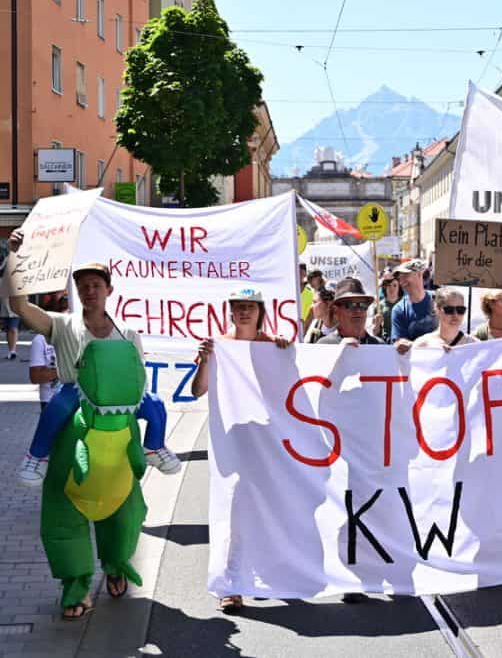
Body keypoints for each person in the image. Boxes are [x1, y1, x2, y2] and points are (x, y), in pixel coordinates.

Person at [5, 244, 177, 487]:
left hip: (117, 396)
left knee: (156, 404)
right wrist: (15, 256)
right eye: (83, 286)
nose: (90, 290)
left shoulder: (127, 332)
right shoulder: (61, 325)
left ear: (109, 290)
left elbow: (139, 374)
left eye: (96, 285)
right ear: (76, 291)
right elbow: (20, 306)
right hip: (77, 393)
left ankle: (154, 446)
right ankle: (37, 455)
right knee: (58, 404)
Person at [190, 286, 290, 613]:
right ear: (230, 310)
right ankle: (230, 585)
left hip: (266, 441)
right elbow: (197, 390)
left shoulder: (271, 346)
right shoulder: (219, 345)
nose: (244, 311)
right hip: (232, 441)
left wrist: (286, 355)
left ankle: (255, 574)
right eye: (238, 306)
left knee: (263, 511)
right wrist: (205, 361)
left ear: (261, 311)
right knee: (232, 510)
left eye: (250, 306)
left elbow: (291, 390)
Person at [405, 288, 478, 351]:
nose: (455, 315)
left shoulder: (474, 345)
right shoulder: (422, 344)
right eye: (449, 310)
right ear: (437, 310)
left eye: (460, 310)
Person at [28, 294, 66, 412]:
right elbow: (35, 376)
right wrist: (68, 369)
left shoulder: (81, 336)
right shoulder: (40, 340)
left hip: (78, 400)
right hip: (51, 400)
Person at [390, 259, 437, 345]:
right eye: (400, 278)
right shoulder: (399, 310)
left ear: (419, 274)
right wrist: (401, 343)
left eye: (405, 275)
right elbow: (399, 343)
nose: (401, 281)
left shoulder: (438, 299)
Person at [319, 288, 383, 346]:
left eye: (363, 305)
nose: (358, 310)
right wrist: (339, 351)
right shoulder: (324, 346)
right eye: (351, 305)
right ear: (336, 311)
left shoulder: (380, 346)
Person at [372, 272, 402, 343]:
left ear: (399, 287)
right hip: (386, 342)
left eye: (395, 285)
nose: (392, 288)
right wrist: (377, 324)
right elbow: (375, 333)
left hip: (402, 341)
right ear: (385, 288)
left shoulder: (405, 304)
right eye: (389, 285)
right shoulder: (379, 306)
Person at [2, 294, 18, 360]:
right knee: (8, 329)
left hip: (14, 304)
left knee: (12, 327)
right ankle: (11, 351)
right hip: (4, 306)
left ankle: (13, 351)